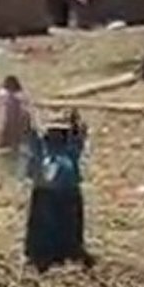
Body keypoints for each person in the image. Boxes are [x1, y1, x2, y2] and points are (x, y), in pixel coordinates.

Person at [25, 111, 95, 273]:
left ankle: (66, 251)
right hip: (46, 192)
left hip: (68, 192)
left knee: (67, 225)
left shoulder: (70, 148)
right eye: (53, 131)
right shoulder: (42, 147)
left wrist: (76, 123)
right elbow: (30, 137)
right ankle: (43, 254)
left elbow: (81, 136)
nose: (56, 135)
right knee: (46, 226)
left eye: (60, 132)